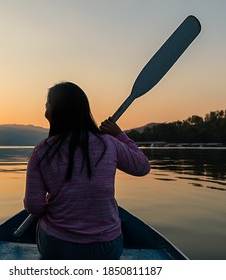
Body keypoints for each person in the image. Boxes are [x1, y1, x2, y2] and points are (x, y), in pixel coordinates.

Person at [24, 82, 150, 259]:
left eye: (47, 105)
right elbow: (142, 167)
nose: (45, 109)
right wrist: (120, 136)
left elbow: (34, 207)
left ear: (53, 111)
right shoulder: (110, 143)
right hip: (107, 248)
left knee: (41, 225)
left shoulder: (41, 151)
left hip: (58, 247)